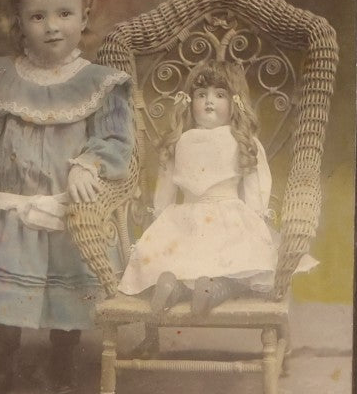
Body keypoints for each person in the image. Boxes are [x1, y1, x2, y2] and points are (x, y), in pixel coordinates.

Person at [0, 0, 133, 394]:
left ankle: (63, 360)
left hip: (64, 207)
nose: (52, 27)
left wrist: (90, 163)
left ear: (85, 17)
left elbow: (116, 138)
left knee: (65, 289)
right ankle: (1, 364)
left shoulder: (100, 84)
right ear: (20, 22)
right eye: (37, 16)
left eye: (65, 14)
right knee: (3, 293)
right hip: (10, 206)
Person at [117, 60, 316, 318]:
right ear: (189, 102)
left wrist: (160, 219)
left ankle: (182, 287)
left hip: (189, 219)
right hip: (226, 217)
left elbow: (166, 192)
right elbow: (255, 190)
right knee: (235, 263)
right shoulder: (204, 141)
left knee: (186, 260)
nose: (209, 101)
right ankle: (207, 287)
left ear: (235, 103)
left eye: (219, 95)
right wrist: (257, 219)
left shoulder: (207, 140)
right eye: (201, 95)